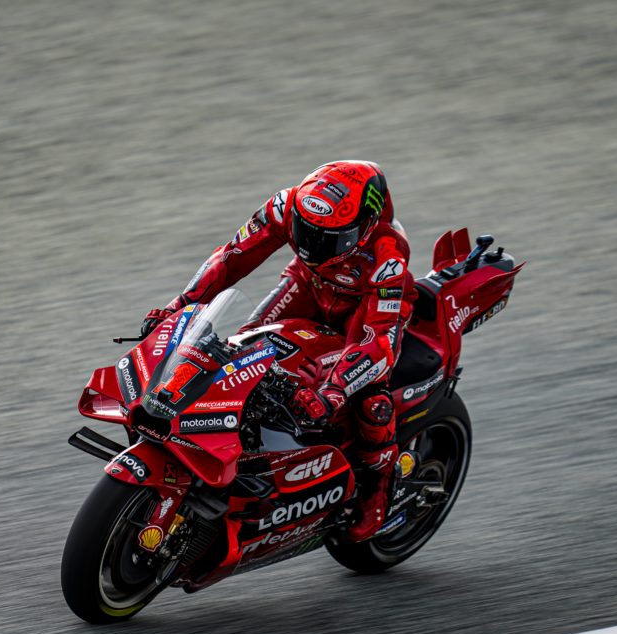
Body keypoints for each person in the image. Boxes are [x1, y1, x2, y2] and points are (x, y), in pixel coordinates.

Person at [141, 160, 417, 542]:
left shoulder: (388, 255)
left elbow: (379, 341)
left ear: (366, 226)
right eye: (306, 232)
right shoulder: (285, 205)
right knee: (241, 349)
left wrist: (333, 391)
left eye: (329, 239)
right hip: (307, 284)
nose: (312, 245)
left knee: (372, 399)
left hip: (363, 309)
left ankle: (378, 489)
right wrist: (181, 305)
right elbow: (231, 257)